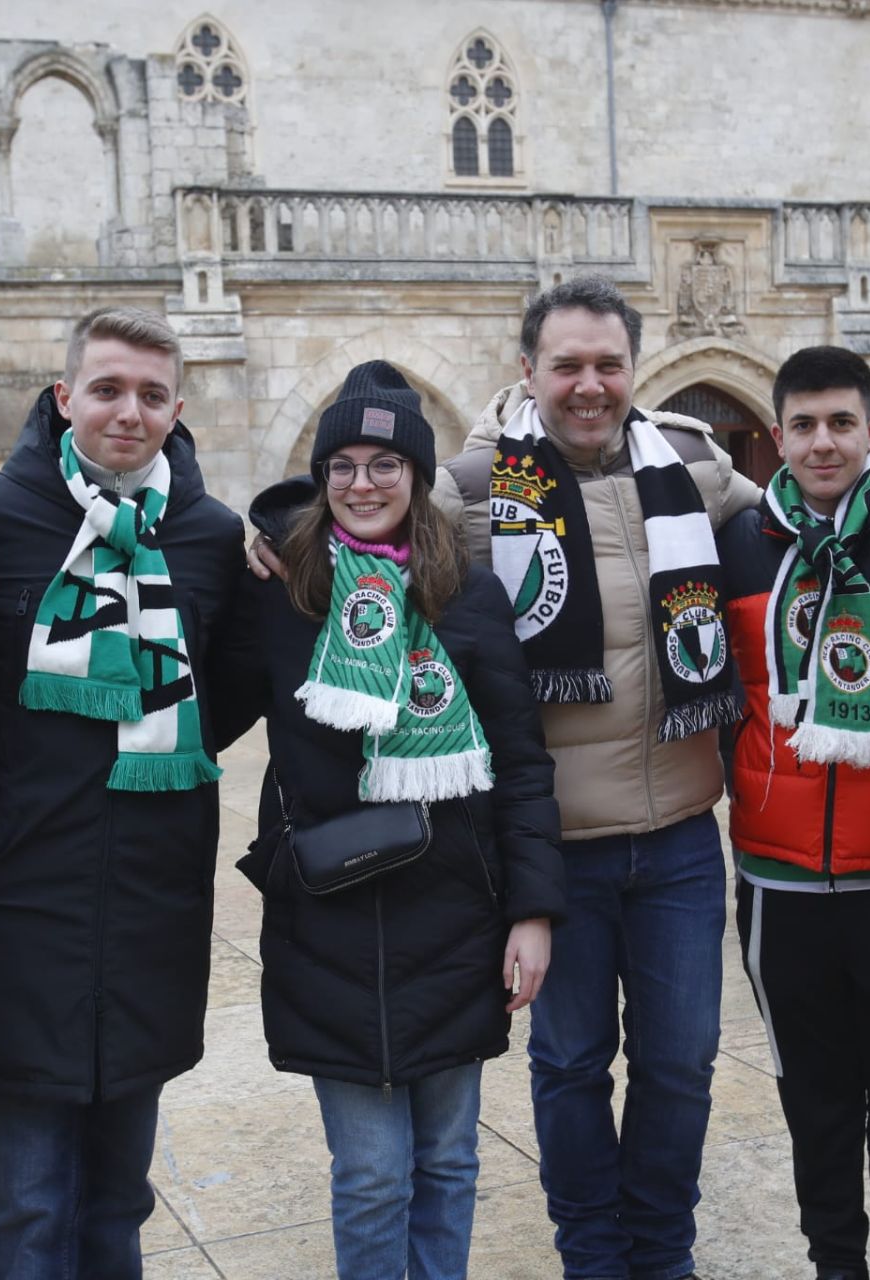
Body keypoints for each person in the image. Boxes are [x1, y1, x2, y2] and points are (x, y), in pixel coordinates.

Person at [249, 277, 870, 1280]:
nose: (588, 384)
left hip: (676, 838)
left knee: (679, 1066)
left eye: (607, 364)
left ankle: (661, 1253)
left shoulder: (696, 470)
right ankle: (592, 1253)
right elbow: (361, 508)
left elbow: (813, 515)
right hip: (553, 845)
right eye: (566, 364)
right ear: (527, 372)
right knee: (571, 1066)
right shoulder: (475, 485)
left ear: (635, 369)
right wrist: (270, 520)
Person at [221, 360, 566, 1280]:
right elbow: (210, 713)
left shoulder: (470, 596)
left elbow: (524, 766)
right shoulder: (280, 594)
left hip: (455, 916)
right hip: (328, 917)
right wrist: (239, 539)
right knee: (373, 1175)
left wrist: (532, 911)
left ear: (418, 479)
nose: (362, 484)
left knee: (448, 1161)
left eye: (385, 465)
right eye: (343, 465)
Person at [0, 306, 245, 1279]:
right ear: (64, 395)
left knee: (118, 1204)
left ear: (176, 408)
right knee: (30, 1208)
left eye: (152, 394)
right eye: (109, 388)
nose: (130, 411)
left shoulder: (207, 535)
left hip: (150, 911)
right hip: (21, 904)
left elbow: (230, 687)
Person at [718, 347, 870, 1280]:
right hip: (779, 879)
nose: (824, 443)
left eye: (843, 424)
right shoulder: (736, 541)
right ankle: (833, 1263)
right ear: (778, 435)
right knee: (811, 1097)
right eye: (805, 425)